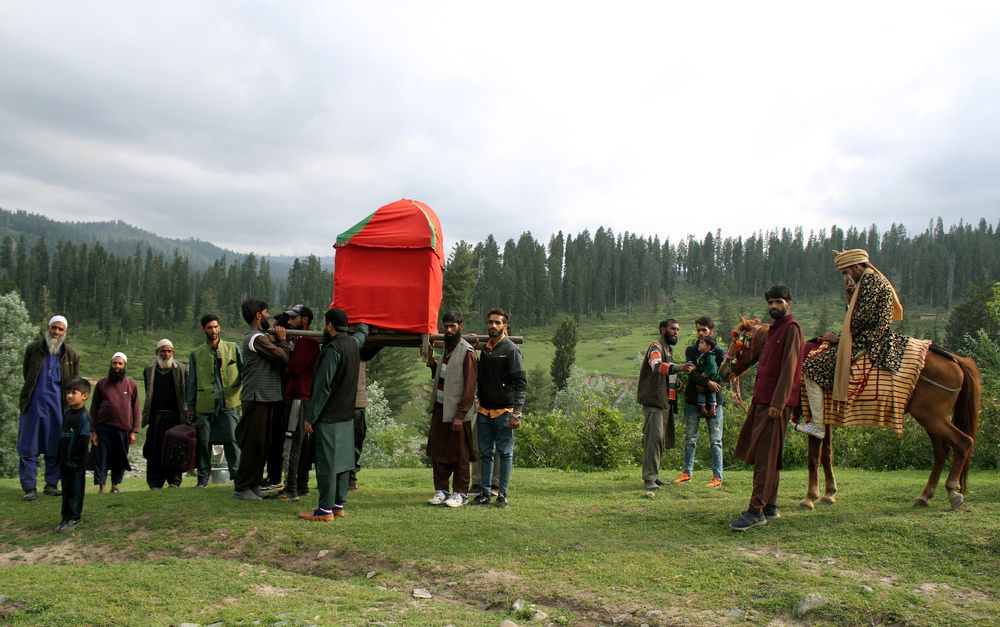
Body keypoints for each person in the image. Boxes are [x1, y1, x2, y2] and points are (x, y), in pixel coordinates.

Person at [799, 248, 907, 438]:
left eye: (846, 272)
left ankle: (817, 425)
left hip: (868, 339)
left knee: (811, 369)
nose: (845, 277)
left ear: (857, 267)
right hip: (868, 334)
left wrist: (838, 339)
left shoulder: (870, 280)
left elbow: (861, 318)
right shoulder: (870, 279)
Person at [731, 285, 804, 531]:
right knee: (769, 454)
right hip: (762, 401)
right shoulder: (774, 329)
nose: (773, 306)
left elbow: (790, 368)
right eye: (771, 302)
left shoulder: (792, 329)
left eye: (778, 302)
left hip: (774, 403)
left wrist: (778, 402)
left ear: (788, 304)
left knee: (764, 456)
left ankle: (756, 511)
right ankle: (770, 506)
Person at [298, 308, 369, 521]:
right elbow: (362, 334)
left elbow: (322, 388)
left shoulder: (333, 350)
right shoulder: (353, 344)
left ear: (329, 325)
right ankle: (338, 505)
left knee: (327, 464)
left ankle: (324, 510)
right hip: (347, 415)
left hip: (329, 417)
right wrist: (365, 322)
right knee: (344, 463)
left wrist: (310, 417)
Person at [18, 314, 80, 501]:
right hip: (33, 406)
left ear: (65, 332)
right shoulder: (33, 349)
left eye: (61, 329)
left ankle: (51, 485)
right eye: (54, 327)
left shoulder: (71, 354)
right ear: (48, 328)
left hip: (58, 408)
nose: (56, 332)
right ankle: (29, 488)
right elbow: (27, 373)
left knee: (55, 446)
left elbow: (74, 382)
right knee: (28, 446)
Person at [233, 298, 290, 500]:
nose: (269, 316)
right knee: (254, 444)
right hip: (257, 398)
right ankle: (242, 488)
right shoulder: (256, 338)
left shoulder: (261, 337)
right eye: (266, 313)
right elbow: (282, 357)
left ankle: (253, 484)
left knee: (262, 444)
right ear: (258, 315)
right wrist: (282, 340)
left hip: (265, 397)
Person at [471, 308, 526, 509]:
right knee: (485, 452)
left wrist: (517, 413)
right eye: (490, 322)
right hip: (484, 410)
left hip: (505, 411)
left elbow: (520, 383)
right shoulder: (486, 349)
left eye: (497, 322)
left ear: (505, 326)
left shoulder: (511, 350)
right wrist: (474, 350)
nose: (493, 325)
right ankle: (485, 493)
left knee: (505, 452)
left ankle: (502, 495)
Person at [425, 311, 478, 508]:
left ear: (460, 326)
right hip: (441, 410)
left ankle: (461, 493)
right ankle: (441, 490)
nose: (448, 330)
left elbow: (470, 388)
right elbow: (443, 378)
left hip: (457, 415)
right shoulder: (446, 349)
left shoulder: (467, 352)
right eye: (446, 326)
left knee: (460, 455)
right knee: (439, 453)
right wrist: (432, 362)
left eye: (452, 326)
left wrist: (460, 415)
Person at [267, 305, 319, 501]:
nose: (289, 322)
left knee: (291, 443)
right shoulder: (303, 340)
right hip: (301, 396)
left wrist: (282, 343)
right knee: (301, 444)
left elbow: (293, 368)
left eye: (293, 318)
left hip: (298, 396)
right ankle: (301, 485)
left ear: (304, 320)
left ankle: (291, 488)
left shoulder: (306, 342)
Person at [187, 314, 243, 487]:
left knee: (232, 440)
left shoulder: (232, 348)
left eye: (215, 327)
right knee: (204, 442)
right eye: (209, 327)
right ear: (203, 329)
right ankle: (203, 478)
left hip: (229, 402)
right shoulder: (196, 354)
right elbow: (192, 382)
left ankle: (237, 476)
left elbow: (244, 373)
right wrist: (190, 406)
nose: (213, 330)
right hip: (204, 404)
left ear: (220, 328)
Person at [638, 318, 693, 491]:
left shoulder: (668, 349)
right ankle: (649, 478)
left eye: (677, 329)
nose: (676, 332)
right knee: (653, 439)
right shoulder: (656, 347)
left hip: (664, 402)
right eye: (672, 329)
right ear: (662, 329)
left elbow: (666, 376)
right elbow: (656, 366)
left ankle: (654, 476)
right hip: (654, 401)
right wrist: (679, 368)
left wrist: (677, 384)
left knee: (660, 440)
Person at [89, 352, 140, 493]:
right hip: (103, 429)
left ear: (125, 366)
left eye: (120, 363)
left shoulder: (131, 385)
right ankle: (101, 488)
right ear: (111, 365)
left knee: (119, 459)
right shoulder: (101, 384)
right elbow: (94, 408)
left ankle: (115, 486)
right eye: (114, 363)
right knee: (101, 459)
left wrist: (134, 431)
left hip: (123, 430)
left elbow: (136, 409)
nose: (117, 366)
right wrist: (93, 431)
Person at [142, 339, 189, 489]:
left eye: (169, 351)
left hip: (175, 416)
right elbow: (148, 393)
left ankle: (174, 481)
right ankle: (155, 483)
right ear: (157, 352)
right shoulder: (149, 370)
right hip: (156, 416)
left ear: (173, 352)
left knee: (174, 449)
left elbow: (186, 393)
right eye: (163, 351)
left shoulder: (181, 369)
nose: (166, 354)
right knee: (154, 450)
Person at [57, 378, 91, 532]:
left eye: (74, 393)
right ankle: (65, 517)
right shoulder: (67, 414)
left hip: (76, 464)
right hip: (65, 462)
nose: (70, 396)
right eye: (68, 393)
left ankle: (75, 517)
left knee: (75, 491)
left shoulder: (84, 417)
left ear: (84, 396)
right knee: (66, 490)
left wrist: (76, 460)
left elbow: (83, 440)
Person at [694, 336, 721, 417]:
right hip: (705, 377)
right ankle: (702, 408)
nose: (699, 344)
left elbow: (711, 365)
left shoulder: (710, 355)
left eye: (702, 343)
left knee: (711, 392)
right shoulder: (703, 355)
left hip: (711, 377)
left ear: (708, 347)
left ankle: (713, 408)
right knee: (702, 391)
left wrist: (705, 373)